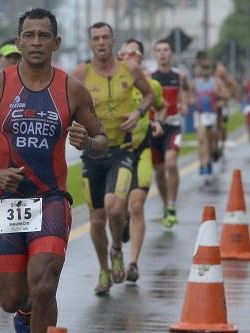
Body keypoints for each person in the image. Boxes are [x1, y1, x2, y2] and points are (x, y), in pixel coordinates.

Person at [0, 8, 108, 333]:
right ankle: (24, 314)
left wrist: (87, 143)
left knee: (43, 285)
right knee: (12, 298)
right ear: (18, 41)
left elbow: (102, 140)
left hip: (50, 200)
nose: (36, 42)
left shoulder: (73, 89)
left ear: (56, 42)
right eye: (29, 35)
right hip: (6, 201)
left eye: (43, 36)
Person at [72, 22, 153, 296]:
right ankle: (104, 270)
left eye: (106, 37)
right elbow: (64, 104)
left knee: (115, 208)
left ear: (113, 41)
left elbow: (150, 94)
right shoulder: (81, 73)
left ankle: (117, 248)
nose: (101, 42)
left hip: (121, 150)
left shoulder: (129, 69)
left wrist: (138, 113)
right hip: (93, 153)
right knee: (96, 220)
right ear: (90, 43)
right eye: (96, 38)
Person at [118, 39, 165, 282]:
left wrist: (157, 121)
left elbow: (161, 106)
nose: (127, 57)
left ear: (141, 58)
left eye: (133, 53)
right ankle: (122, 221)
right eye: (123, 54)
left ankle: (133, 263)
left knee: (137, 206)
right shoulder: (113, 86)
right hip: (118, 153)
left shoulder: (152, 85)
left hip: (142, 151)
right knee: (118, 209)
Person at [151, 39, 189, 228]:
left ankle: (172, 206)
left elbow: (187, 91)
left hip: (173, 125)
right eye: (159, 50)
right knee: (158, 172)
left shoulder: (179, 76)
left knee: (171, 163)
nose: (162, 53)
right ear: (154, 54)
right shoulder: (149, 76)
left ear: (171, 53)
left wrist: (185, 103)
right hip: (155, 128)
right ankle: (166, 203)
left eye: (166, 50)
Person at [193, 58, 229, 183]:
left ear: (211, 70)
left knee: (211, 142)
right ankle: (203, 164)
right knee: (202, 140)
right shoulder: (196, 82)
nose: (205, 70)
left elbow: (226, 95)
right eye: (203, 68)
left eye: (207, 68)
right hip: (200, 113)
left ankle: (211, 159)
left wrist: (219, 97)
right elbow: (189, 95)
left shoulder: (216, 82)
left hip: (212, 115)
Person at [214, 62, 238, 160]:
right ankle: (215, 147)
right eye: (219, 70)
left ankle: (222, 144)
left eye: (222, 71)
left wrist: (225, 98)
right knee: (215, 128)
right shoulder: (213, 80)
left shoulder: (227, 80)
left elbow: (233, 88)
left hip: (223, 108)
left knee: (222, 127)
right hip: (213, 108)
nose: (221, 72)